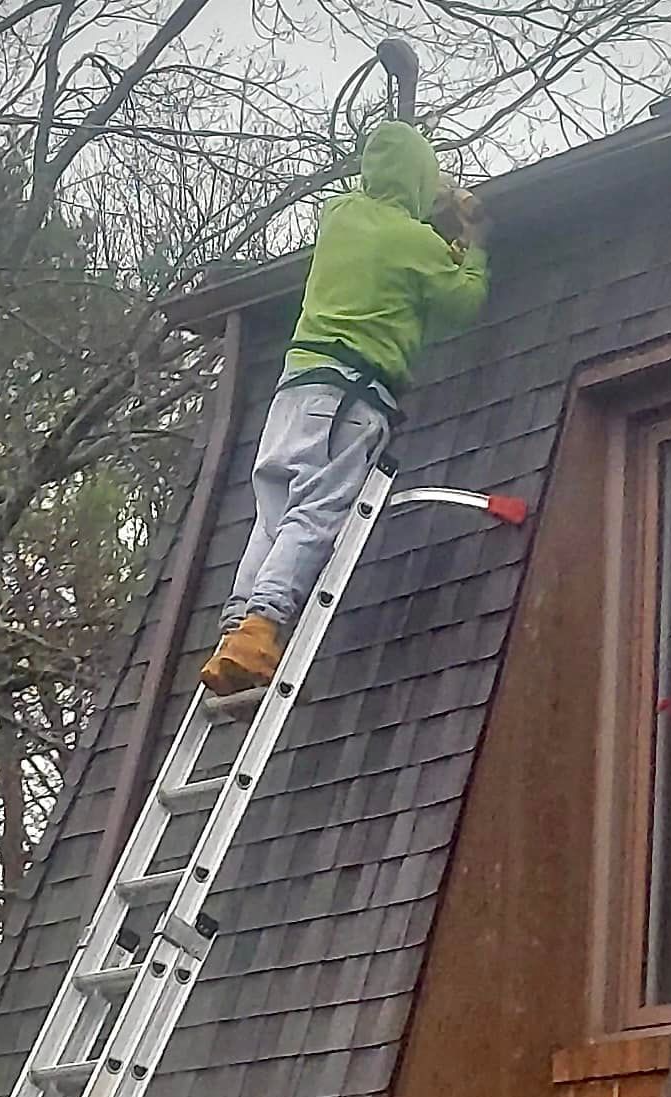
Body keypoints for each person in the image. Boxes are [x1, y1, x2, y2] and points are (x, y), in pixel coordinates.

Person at [201, 122, 489, 696]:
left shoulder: (340, 214)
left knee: (273, 516)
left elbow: (391, 198)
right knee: (316, 512)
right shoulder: (416, 244)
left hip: (294, 391)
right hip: (349, 395)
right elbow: (462, 301)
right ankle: (260, 628)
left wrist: (425, 202)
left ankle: (236, 627)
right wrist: (473, 243)